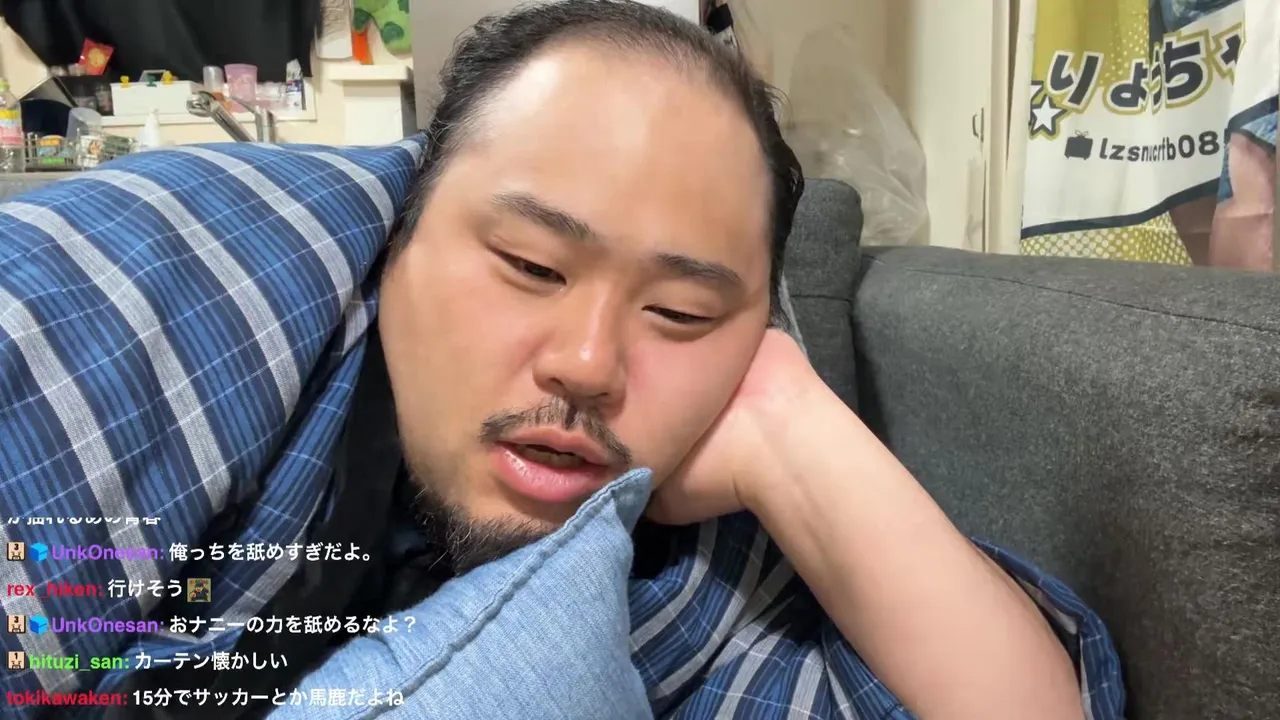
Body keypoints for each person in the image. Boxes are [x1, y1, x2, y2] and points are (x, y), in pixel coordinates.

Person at [108, 2, 1123, 717]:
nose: (589, 364)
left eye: (680, 311)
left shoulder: (692, 562)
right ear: (402, 225)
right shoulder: (175, 295)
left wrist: (787, 421)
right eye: (530, 265)